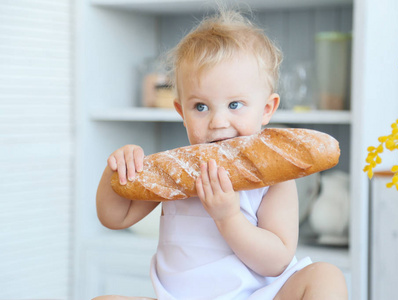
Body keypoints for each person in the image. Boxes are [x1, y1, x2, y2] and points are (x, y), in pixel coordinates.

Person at [94, 9, 348, 300]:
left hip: (258, 295)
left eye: (235, 104)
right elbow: (114, 217)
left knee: (326, 277)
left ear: (266, 109)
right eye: (201, 107)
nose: (218, 122)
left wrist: (228, 217)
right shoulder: (176, 173)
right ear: (181, 112)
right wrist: (117, 169)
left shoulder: (274, 181)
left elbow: (276, 261)